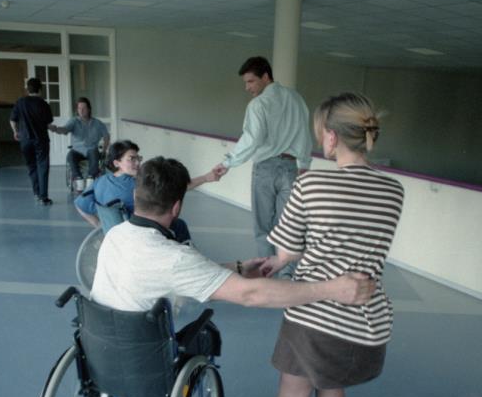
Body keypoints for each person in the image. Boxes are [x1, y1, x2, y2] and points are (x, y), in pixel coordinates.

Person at [256, 93, 405, 397]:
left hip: (313, 318)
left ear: (333, 137)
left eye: (321, 132)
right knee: (332, 385)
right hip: (362, 320)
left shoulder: (311, 184)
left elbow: (286, 252)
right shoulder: (394, 191)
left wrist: (272, 262)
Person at [91, 156, 376, 360]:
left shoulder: (114, 235)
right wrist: (332, 289)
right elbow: (250, 294)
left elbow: (173, 273)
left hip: (99, 350)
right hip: (144, 360)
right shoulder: (174, 257)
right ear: (176, 208)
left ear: (136, 195)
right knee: (206, 335)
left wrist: (238, 268)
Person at [213, 56, 312, 272]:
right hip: (291, 168)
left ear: (266, 77)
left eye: (251, 81)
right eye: (245, 83)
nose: (247, 87)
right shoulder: (295, 98)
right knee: (288, 227)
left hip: (265, 169)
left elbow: (252, 138)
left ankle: (267, 274)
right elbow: (304, 132)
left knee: (263, 228)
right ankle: (287, 276)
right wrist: (304, 164)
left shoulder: (258, 104)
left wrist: (228, 162)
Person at [74, 140, 219, 243]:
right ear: (116, 163)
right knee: (179, 224)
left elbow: (79, 204)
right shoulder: (135, 184)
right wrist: (206, 178)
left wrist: (100, 225)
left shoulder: (100, 181)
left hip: (115, 237)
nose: (138, 162)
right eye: (132, 159)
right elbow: (174, 189)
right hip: (140, 234)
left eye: (138, 158)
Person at [10, 77, 59, 206]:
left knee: (31, 167)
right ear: (40, 89)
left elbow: (12, 120)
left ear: (28, 89)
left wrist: (15, 132)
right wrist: (54, 128)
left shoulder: (20, 102)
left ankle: (36, 193)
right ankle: (44, 197)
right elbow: (48, 124)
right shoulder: (44, 104)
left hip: (25, 141)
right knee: (42, 167)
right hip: (41, 140)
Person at [56, 97, 109, 187]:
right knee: (70, 155)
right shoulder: (74, 121)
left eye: (84, 108)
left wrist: (104, 150)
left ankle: (91, 178)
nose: (81, 110)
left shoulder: (97, 123)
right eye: (79, 108)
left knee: (94, 152)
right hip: (77, 150)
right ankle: (78, 178)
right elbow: (65, 129)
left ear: (89, 109)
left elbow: (106, 136)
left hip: (91, 149)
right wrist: (57, 129)